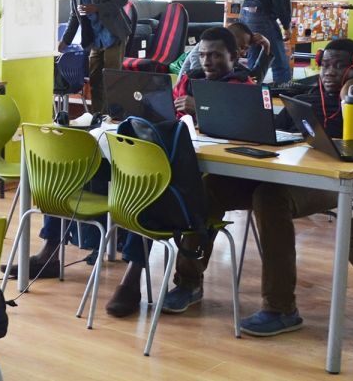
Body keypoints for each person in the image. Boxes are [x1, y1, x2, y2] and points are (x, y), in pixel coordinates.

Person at [160, 39, 353, 337]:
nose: (330, 72)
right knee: (210, 187)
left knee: (269, 198)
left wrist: (350, 97)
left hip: (331, 182)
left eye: (339, 66)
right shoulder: (306, 100)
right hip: (284, 175)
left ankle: (281, 308)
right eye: (325, 65)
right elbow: (273, 133)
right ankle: (188, 283)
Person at [105, 26, 248, 317]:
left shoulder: (243, 87)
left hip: (222, 175)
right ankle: (127, 268)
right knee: (145, 185)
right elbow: (168, 114)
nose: (207, 62)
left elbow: (242, 127)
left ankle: (136, 275)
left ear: (234, 57)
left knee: (157, 192)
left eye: (216, 55)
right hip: (179, 162)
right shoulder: (189, 80)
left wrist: (202, 108)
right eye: (203, 55)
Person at [58, 0, 131, 123]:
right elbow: (74, 16)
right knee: (95, 79)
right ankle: (99, 117)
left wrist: (97, 8)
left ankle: (114, 117)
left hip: (113, 34)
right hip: (95, 38)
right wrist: (65, 41)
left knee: (111, 78)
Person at [180, 21, 272, 83]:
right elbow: (200, 86)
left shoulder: (228, 57)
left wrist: (266, 48)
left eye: (246, 49)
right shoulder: (204, 50)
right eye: (242, 47)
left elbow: (253, 80)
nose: (244, 53)